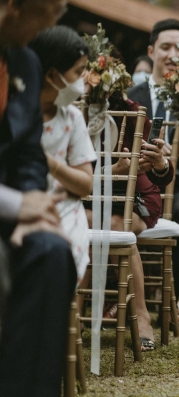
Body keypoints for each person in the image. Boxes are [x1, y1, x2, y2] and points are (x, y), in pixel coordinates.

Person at [0, 0, 81, 397]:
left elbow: (27, 153)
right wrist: (13, 207)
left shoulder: (26, 64)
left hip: (10, 216)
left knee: (54, 252)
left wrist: (30, 213)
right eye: (51, 11)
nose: (51, 24)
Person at [128, 18, 179, 319]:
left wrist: (178, 161)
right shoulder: (129, 96)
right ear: (151, 51)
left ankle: (171, 298)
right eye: (165, 47)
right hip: (135, 185)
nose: (173, 54)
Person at [28, 26, 95, 281]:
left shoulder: (72, 118)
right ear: (53, 75)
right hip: (16, 203)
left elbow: (85, 185)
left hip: (63, 208)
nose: (83, 80)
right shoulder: (13, 112)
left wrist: (51, 164)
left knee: (59, 248)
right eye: (79, 72)